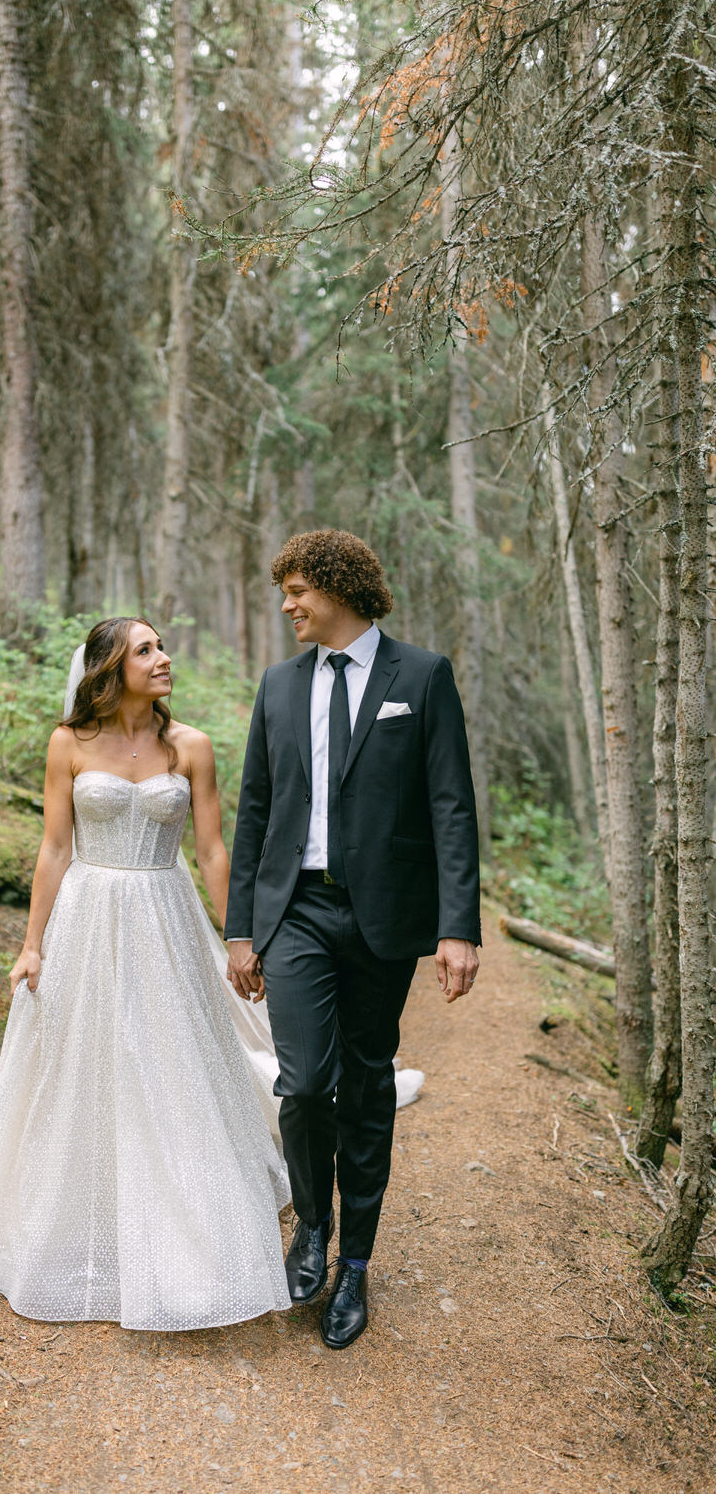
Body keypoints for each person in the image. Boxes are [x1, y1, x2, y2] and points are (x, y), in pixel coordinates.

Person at [0, 616, 291, 1331]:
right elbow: (54, 849)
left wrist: (238, 939)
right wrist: (31, 943)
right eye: (145, 650)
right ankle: (79, 1212)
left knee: (171, 1057)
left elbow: (214, 851)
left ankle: (186, 1224)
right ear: (108, 668)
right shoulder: (69, 743)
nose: (163, 658)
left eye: (161, 647)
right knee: (86, 1057)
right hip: (89, 915)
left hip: (165, 910)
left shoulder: (190, 746)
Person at [225, 529, 481, 1350]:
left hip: (381, 920)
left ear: (339, 587)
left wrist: (457, 926)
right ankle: (312, 1230)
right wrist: (241, 929)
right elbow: (255, 811)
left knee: (366, 1085)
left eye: (299, 590)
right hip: (295, 911)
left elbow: (451, 804)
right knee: (302, 1084)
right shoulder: (278, 685)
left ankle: (357, 1266)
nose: (290, 605)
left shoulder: (423, 676)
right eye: (286, 592)